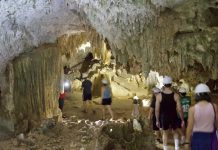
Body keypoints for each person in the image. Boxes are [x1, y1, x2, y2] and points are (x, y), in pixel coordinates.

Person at [185, 83, 218, 150]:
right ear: (208, 94)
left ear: (196, 95)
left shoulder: (192, 109)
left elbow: (190, 127)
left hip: (197, 138)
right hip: (211, 138)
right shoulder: (214, 106)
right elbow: (217, 123)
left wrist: (187, 142)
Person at [155, 76, 184, 150]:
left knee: (165, 133)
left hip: (163, 117)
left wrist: (157, 120)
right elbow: (180, 109)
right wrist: (182, 119)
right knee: (175, 131)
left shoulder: (159, 96)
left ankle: (165, 148)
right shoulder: (176, 95)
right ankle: (177, 148)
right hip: (173, 116)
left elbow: (157, 110)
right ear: (171, 84)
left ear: (163, 84)